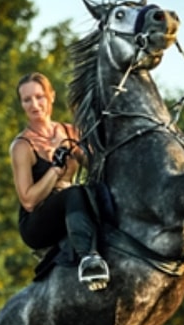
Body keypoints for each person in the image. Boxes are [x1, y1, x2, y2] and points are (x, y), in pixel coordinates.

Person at [10, 72, 109, 291]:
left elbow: (99, 169)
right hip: (38, 220)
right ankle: (88, 259)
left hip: (73, 205)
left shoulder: (70, 131)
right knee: (74, 193)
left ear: (51, 96)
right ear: (22, 104)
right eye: (27, 100)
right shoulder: (22, 146)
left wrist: (72, 146)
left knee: (99, 193)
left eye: (39, 97)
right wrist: (55, 169)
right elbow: (28, 201)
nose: (35, 105)